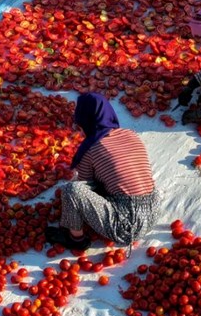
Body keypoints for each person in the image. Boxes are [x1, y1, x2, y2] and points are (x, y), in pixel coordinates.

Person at [45, 92, 160, 252]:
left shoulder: (91, 148)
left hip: (126, 226)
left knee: (72, 190)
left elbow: (83, 186)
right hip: (153, 213)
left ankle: (76, 239)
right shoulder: (131, 134)